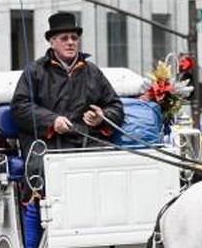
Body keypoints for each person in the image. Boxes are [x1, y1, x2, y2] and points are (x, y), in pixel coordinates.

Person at [11, 11, 124, 156]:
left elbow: (116, 107)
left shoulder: (93, 71)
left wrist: (101, 117)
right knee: (45, 170)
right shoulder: (34, 71)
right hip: (48, 142)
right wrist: (53, 121)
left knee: (111, 164)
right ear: (52, 42)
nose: (70, 42)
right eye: (64, 38)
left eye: (74, 38)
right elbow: (20, 107)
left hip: (88, 141)